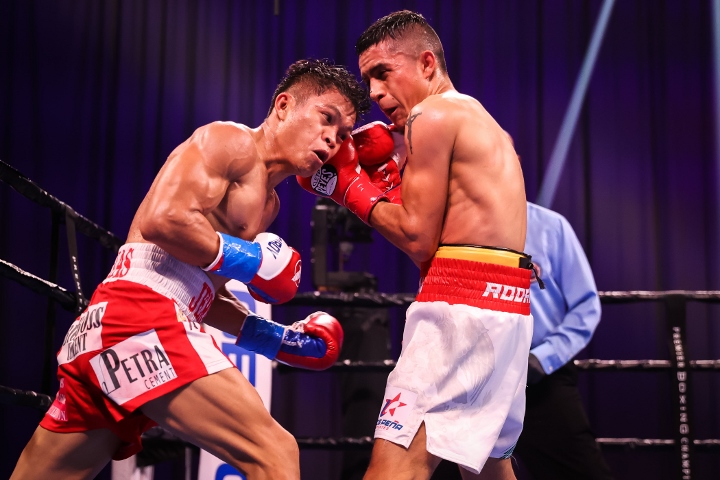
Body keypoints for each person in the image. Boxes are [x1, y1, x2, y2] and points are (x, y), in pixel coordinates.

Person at [11, 58, 369, 480]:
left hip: (113, 326)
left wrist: (273, 338)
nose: (332, 140)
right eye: (326, 119)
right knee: (275, 451)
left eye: (342, 134)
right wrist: (254, 260)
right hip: (141, 313)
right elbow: (162, 220)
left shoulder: (269, 204)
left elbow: (201, 289)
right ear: (284, 105)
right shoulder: (231, 142)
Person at [299, 10, 536, 480]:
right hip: (507, 310)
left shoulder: (432, 113)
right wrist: (385, 187)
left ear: (427, 63)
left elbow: (415, 236)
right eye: (368, 80)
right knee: (489, 469)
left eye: (383, 72)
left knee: (394, 466)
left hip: (461, 309)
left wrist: (348, 185)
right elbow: (436, 243)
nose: (375, 92)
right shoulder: (478, 117)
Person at [514, 201, 614, 480]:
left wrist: (544, 358)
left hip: (540, 379)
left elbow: (586, 306)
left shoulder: (549, 226)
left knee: (584, 472)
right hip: (475, 376)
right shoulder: (456, 224)